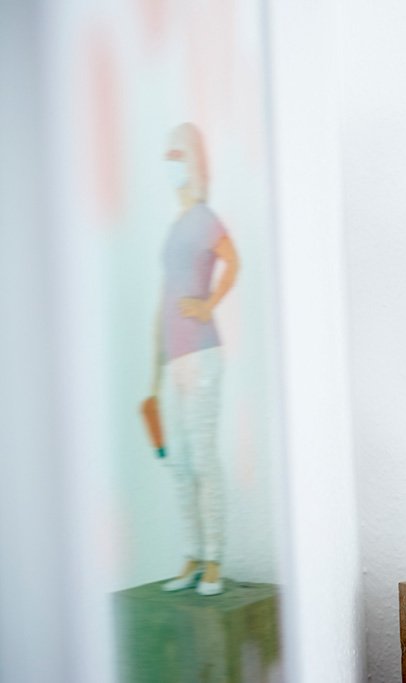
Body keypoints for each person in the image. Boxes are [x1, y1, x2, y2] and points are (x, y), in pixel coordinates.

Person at [147, 122, 239, 596]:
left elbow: (233, 261)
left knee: (202, 456)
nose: (171, 164)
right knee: (179, 461)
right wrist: (152, 375)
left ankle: (214, 560)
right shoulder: (174, 226)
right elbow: (163, 299)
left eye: (177, 155)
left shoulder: (204, 217)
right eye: (167, 156)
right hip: (173, 359)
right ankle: (191, 555)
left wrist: (208, 304)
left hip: (202, 352)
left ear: (194, 162)